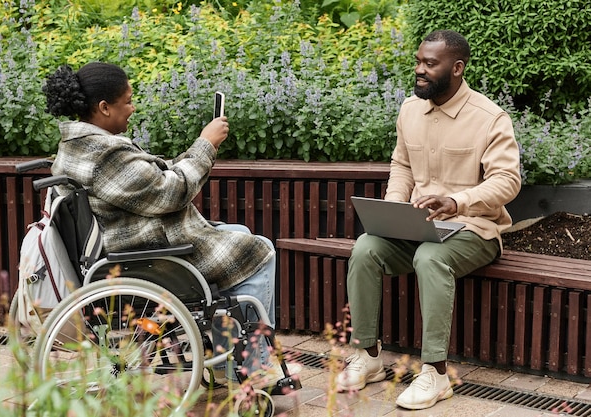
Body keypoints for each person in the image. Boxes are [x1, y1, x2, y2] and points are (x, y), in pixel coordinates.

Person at [42, 62, 292, 383]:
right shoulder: (105, 156)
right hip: (148, 258)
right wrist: (207, 145)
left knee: (238, 233)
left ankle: (224, 354)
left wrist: (196, 150)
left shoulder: (79, 147)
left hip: (125, 246)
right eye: (127, 101)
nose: (133, 108)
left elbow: (151, 178)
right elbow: (170, 192)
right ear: (104, 108)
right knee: (259, 251)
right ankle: (252, 367)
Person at [335, 30, 521, 410]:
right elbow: (402, 164)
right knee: (366, 248)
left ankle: (435, 373)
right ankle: (369, 357)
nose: (419, 70)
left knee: (429, 258)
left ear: (456, 68)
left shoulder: (489, 118)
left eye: (429, 64)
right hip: (417, 225)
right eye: (418, 61)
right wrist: (393, 209)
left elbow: (508, 180)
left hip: (475, 228)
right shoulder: (409, 110)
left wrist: (457, 202)